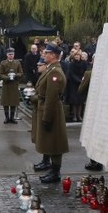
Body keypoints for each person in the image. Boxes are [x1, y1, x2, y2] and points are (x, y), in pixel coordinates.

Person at [33, 44, 70, 183]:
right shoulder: (51, 69)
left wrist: (47, 118)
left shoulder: (55, 72)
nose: (44, 54)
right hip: (47, 108)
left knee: (55, 143)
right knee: (50, 142)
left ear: (53, 55)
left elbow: (51, 97)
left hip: (52, 111)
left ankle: (55, 172)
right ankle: (52, 169)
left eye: (46, 53)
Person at [0, 47, 23, 124]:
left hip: (14, 84)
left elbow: (21, 73)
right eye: (9, 54)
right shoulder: (3, 63)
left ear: (14, 54)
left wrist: (16, 75)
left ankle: (12, 117)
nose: (11, 56)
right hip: (6, 84)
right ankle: (6, 117)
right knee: (6, 102)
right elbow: (0, 74)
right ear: (7, 55)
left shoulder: (17, 63)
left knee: (13, 101)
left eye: (12, 54)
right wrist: (7, 77)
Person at [65, 50, 88, 122]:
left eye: (78, 55)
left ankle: (79, 115)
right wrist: (78, 80)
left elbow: (86, 71)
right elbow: (71, 74)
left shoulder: (84, 63)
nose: (77, 56)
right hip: (74, 83)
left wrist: (83, 79)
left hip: (82, 82)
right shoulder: (71, 64)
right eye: (75, 55)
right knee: (75, 100)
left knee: (80, 100)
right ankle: (75, 115)